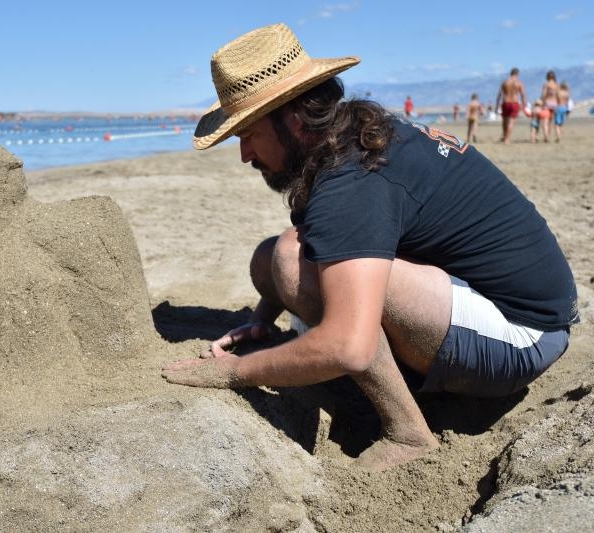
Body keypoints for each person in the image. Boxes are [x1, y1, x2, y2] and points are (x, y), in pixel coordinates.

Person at [162, 23, 578, 471]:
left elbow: (350, 346)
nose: (244, 154)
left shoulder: (352, 179)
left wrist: (234, 372)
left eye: (248, 133)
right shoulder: (350, 136)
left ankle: (408, 432)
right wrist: (262, 321)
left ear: (295, 119)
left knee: (290, 260)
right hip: (486, 306)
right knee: (273, 259)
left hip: (521, 335)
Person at [495, 68, 527, 144]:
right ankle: (507, 139)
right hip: (515, 103)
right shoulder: (519, 83)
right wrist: (524, 105)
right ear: (517, 74)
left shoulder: (505, 82)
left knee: (505, 121)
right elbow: (523, 95)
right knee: (511, 121)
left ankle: (504, 136)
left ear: (510, 73)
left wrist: (497, 105)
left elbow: (499, 95)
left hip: (506, 102)